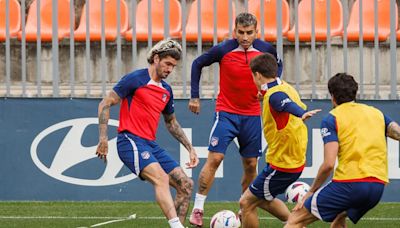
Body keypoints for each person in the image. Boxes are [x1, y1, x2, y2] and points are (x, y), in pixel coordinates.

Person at [188, 12, 283, 227]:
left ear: (256, 32)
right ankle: (198, 208)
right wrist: (195, 95)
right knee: (215, 159)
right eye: (241, 32)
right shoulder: (224, 49)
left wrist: (269, 90)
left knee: (251, 165)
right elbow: (197, 64)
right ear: (234, 31)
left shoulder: (266, 50)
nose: (245, 37)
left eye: (249, 33)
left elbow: (278, 68)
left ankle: (244, 208)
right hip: (226, 112)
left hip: (251, 115)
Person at [95, 39, 200, 228]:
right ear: (156, 58)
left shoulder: (166, 91)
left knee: (186, 185)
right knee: (161, 177)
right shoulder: (135, 79)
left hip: (150, 144)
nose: (169, 69)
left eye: (173, 66)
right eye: (167, 64)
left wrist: (190, 147)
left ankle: (177, 225)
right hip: (129, 140)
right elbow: (105, 103)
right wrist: (103, 139)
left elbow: (171, 122)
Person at [285, 73, 400, 228]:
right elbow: (397, 132)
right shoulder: (376, 113)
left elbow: (328, 165)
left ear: (332, 96)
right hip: (377, 187)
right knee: (339, 219)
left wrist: (311, 191)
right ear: (355, 93)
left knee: (295, 219)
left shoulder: (332, 118)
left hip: (349, 185)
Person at [238, 53, 320, 227]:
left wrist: (300, 112)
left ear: (258, 75)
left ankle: (297, 223)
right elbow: (282, 98)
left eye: (253, 76)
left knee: (246, 203)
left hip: (283, 163)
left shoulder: (274, 94)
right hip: (290, 159)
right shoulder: (284, 86)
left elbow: (283, 103)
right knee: (263, 199)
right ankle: (296, 223)